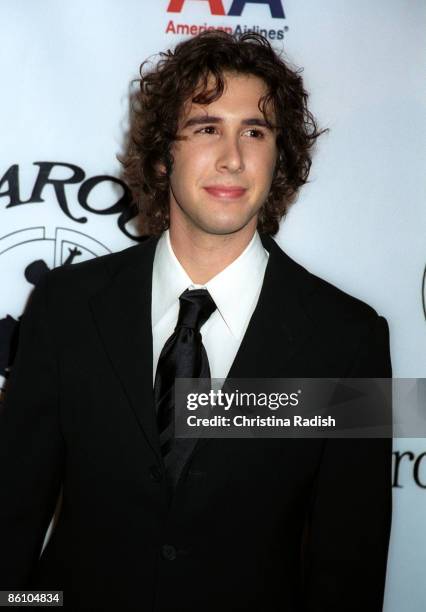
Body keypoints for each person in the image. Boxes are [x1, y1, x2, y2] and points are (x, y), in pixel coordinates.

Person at [0, 31, 392, 611]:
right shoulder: (66, 308)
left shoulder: (349, 340)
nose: (232, 157)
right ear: (164, 154)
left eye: (255, 132)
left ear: (278, 156)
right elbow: (11, 524)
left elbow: (348, 571)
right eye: (207, 127)